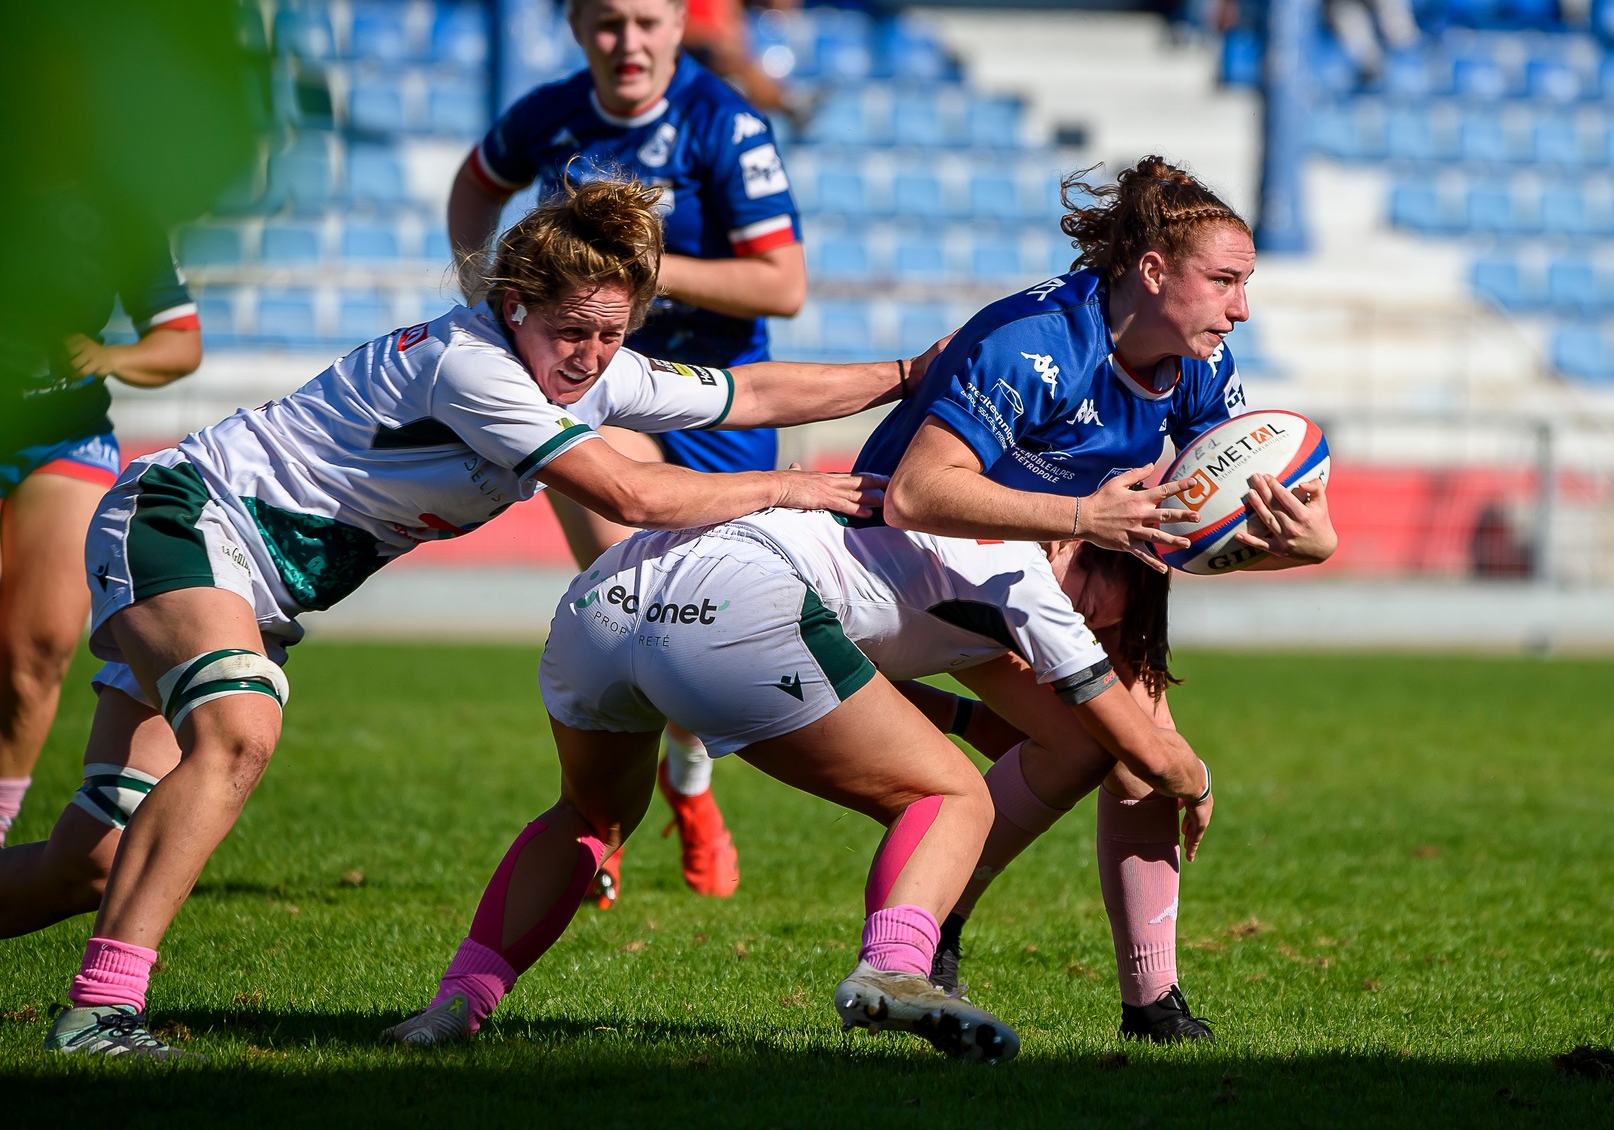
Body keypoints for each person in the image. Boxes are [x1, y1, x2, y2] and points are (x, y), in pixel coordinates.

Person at [26, 177, 938, 1060]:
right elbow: (631, 489)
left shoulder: (590, 370)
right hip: (185, 522)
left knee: (93, 861)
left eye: (610, 335)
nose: (587, 355)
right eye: (569, 331)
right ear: (511, 306)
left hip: (245, 580)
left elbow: (752, 393)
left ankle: (97, 997)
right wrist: (794, 486)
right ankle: (99, 1015)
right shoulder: (471, 366)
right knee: (239, 729)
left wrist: (908, 375)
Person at [383, 511, 1213, 1062]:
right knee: (953, 797)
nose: (1096, 629)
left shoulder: (954, 529)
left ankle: (457, 1003)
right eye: (1111, 606)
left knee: (592, 812)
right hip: (737, 604)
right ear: (1092, 547)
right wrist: (1198, 778)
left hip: (608, 597)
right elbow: (1139, 748)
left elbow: (840, 666)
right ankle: (895, 967)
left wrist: (967, 722)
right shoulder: (1023, 576)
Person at [852, 156, 1338, 1040]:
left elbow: (1185, 532)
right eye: (1225, 281)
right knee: (1126, 745)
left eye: (1248, 284)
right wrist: (1079, 514)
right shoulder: (1038, 342)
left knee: (1133, 750)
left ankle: (1152, 1003)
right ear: (1153, 272)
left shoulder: (1196, 366)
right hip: (899, 566)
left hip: (1020, 574)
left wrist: (1304, 547)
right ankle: (939, 911)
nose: (1242, 308)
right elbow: (912, 494)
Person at [450, 0, 807, 901]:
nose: (628, 42)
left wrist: (645, 268)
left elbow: (781, 282)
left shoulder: (721, 122)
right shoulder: (549, 116)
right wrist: (490, 291)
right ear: (577, 27)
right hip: (599, 391)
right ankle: (600, 825)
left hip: (717, 402)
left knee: (696, 633)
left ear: (678, 22)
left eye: (647, 22)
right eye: (607, 23)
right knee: (629, 599)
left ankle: (688, 778)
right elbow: (476, 185)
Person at [0, 234, 201, 849]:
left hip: (64, 434)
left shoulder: (119, 207)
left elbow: (180, 342)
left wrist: (105, 357)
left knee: (35, 651)